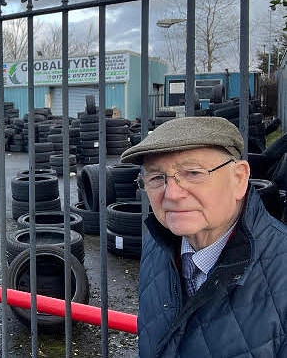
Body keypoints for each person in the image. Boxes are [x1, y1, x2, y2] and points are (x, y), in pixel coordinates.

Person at [120, 116, 286, 357]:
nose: (172, 194)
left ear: (239, 179)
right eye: (156, 178)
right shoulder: (156, 248)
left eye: (193, 173)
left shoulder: (280, 271)